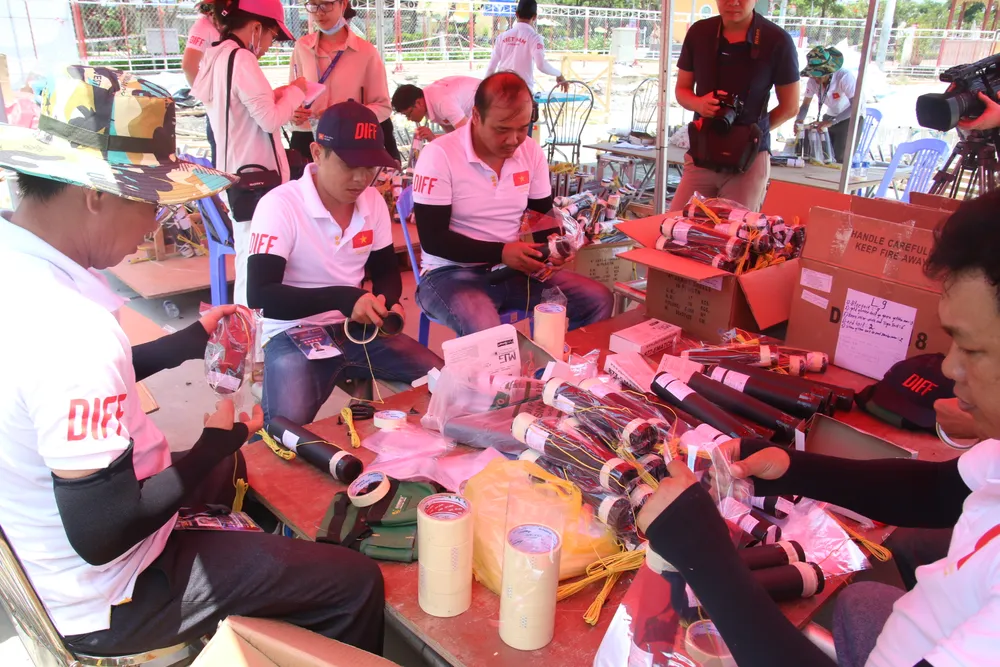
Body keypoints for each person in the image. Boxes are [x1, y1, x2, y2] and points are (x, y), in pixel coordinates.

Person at [0, 66, 385, 658]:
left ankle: (266, 579)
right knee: (354, 582)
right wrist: (211, 444)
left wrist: (185, 343)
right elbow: (102, 534)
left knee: (237, 472)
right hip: (112, 592)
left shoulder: (20, 269)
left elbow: (75, 383)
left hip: (40, 555)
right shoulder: (72, 330)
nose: (157, 222)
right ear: (97, 196)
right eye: (153, 202)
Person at [637, 190, 1000, 666]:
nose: (949, 368)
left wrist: (698, 550)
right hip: (927, 624)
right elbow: (939, 490)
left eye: (972, 349)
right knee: (861, 602)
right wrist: (793, 468)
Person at [247, 101, 443, 426]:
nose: (361, 178)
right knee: (287, 428)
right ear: (317, 152)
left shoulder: (372, 202)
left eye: (370, 167)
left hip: (357, 328)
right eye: (349, 165)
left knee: (445, 382)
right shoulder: (279, 206)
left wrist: (388, 303)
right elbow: (262, 296)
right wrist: (344, 298)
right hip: (292, 332)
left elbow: (386, 271)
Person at [411, 72, 613, 336]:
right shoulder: (440, 155)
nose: (514, 140)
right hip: (448, 274)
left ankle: (564, 362)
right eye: (502, 129)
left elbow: (541, 215)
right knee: (487, 331)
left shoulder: (530, 151)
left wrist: (554, 248)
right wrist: (502, 252)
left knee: (598, 299)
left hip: (512, 269)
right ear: (476, 116)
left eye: (522, 128)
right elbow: (433, 240)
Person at [191, 0, 308, 307]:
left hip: (236, 176)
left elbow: (239, 107)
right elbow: (269, 119)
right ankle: (251, 330)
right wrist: (297, 91)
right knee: (255, 261)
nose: (269, 45)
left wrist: (276, 95)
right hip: (255, 180)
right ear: (256, 28)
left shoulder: (216, 54)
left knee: (248, 255)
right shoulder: (242, 58)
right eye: (271, 36)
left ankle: (248, 326)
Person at [669, 0, 800, 212]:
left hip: (747, 161)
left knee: (734, 231)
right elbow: (682, 90)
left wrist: (752, 134)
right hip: (702, 154)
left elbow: (790, 107)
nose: (733, 2)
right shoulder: (700, 32)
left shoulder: (777, 40)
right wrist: (699, 104)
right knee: (675, 225)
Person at [288, 0, 397, 162]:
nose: (319, 12)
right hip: (305, 137)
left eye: (326, 4)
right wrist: (292, 112)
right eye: (313, 5)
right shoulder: (301, 47)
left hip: (348, 141)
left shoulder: (366, 52)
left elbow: (383, 107)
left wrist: (345, 117)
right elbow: (293, 94)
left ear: (343, 4)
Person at [485, 0, 567, 136]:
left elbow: (491, 68)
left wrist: (486, 92)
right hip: (523, 95)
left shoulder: (502, 37)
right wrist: (559, 74)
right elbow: (541, 65)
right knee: (522, 140)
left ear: (516, 14)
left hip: (502, 94)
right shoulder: (534, 38)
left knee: (503, 137)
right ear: (535, 17)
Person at [796, 46, 858, 164]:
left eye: (818, 75)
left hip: (851, 116)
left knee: (840, 157)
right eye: (813, 74)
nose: (815, 78)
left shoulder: (844, 77)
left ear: (828, 71)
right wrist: (799, 120)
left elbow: (855, 106)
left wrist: (832, 122)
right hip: (831, 114)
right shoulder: (812, 81)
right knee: (824, 155)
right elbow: (805, 105)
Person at [181, 2, 221, 166]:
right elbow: (188, 66)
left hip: (228, 104)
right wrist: (209, 97)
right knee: (222, 160)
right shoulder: (203, 27)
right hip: (219, 106)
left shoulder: (220, 26)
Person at [391, 76, 480, 142]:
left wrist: (433, 138)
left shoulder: (442, 103)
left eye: (409, 114)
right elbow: (452, 133)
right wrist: (433, 138)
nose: (409, 119)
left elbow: (467, 136)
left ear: (418, 103)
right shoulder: (427, 100)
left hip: (485, 104)